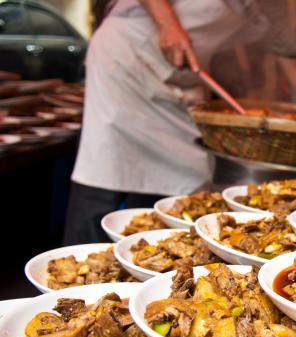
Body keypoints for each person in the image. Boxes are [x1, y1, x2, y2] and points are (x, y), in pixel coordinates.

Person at [63, 0, 268, 244]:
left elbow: (262, 56)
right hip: (128, 60)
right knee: (105, 169)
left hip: (181, 78)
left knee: (183, 178)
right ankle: (79, 263)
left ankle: (143, 261)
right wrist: (168, 25)